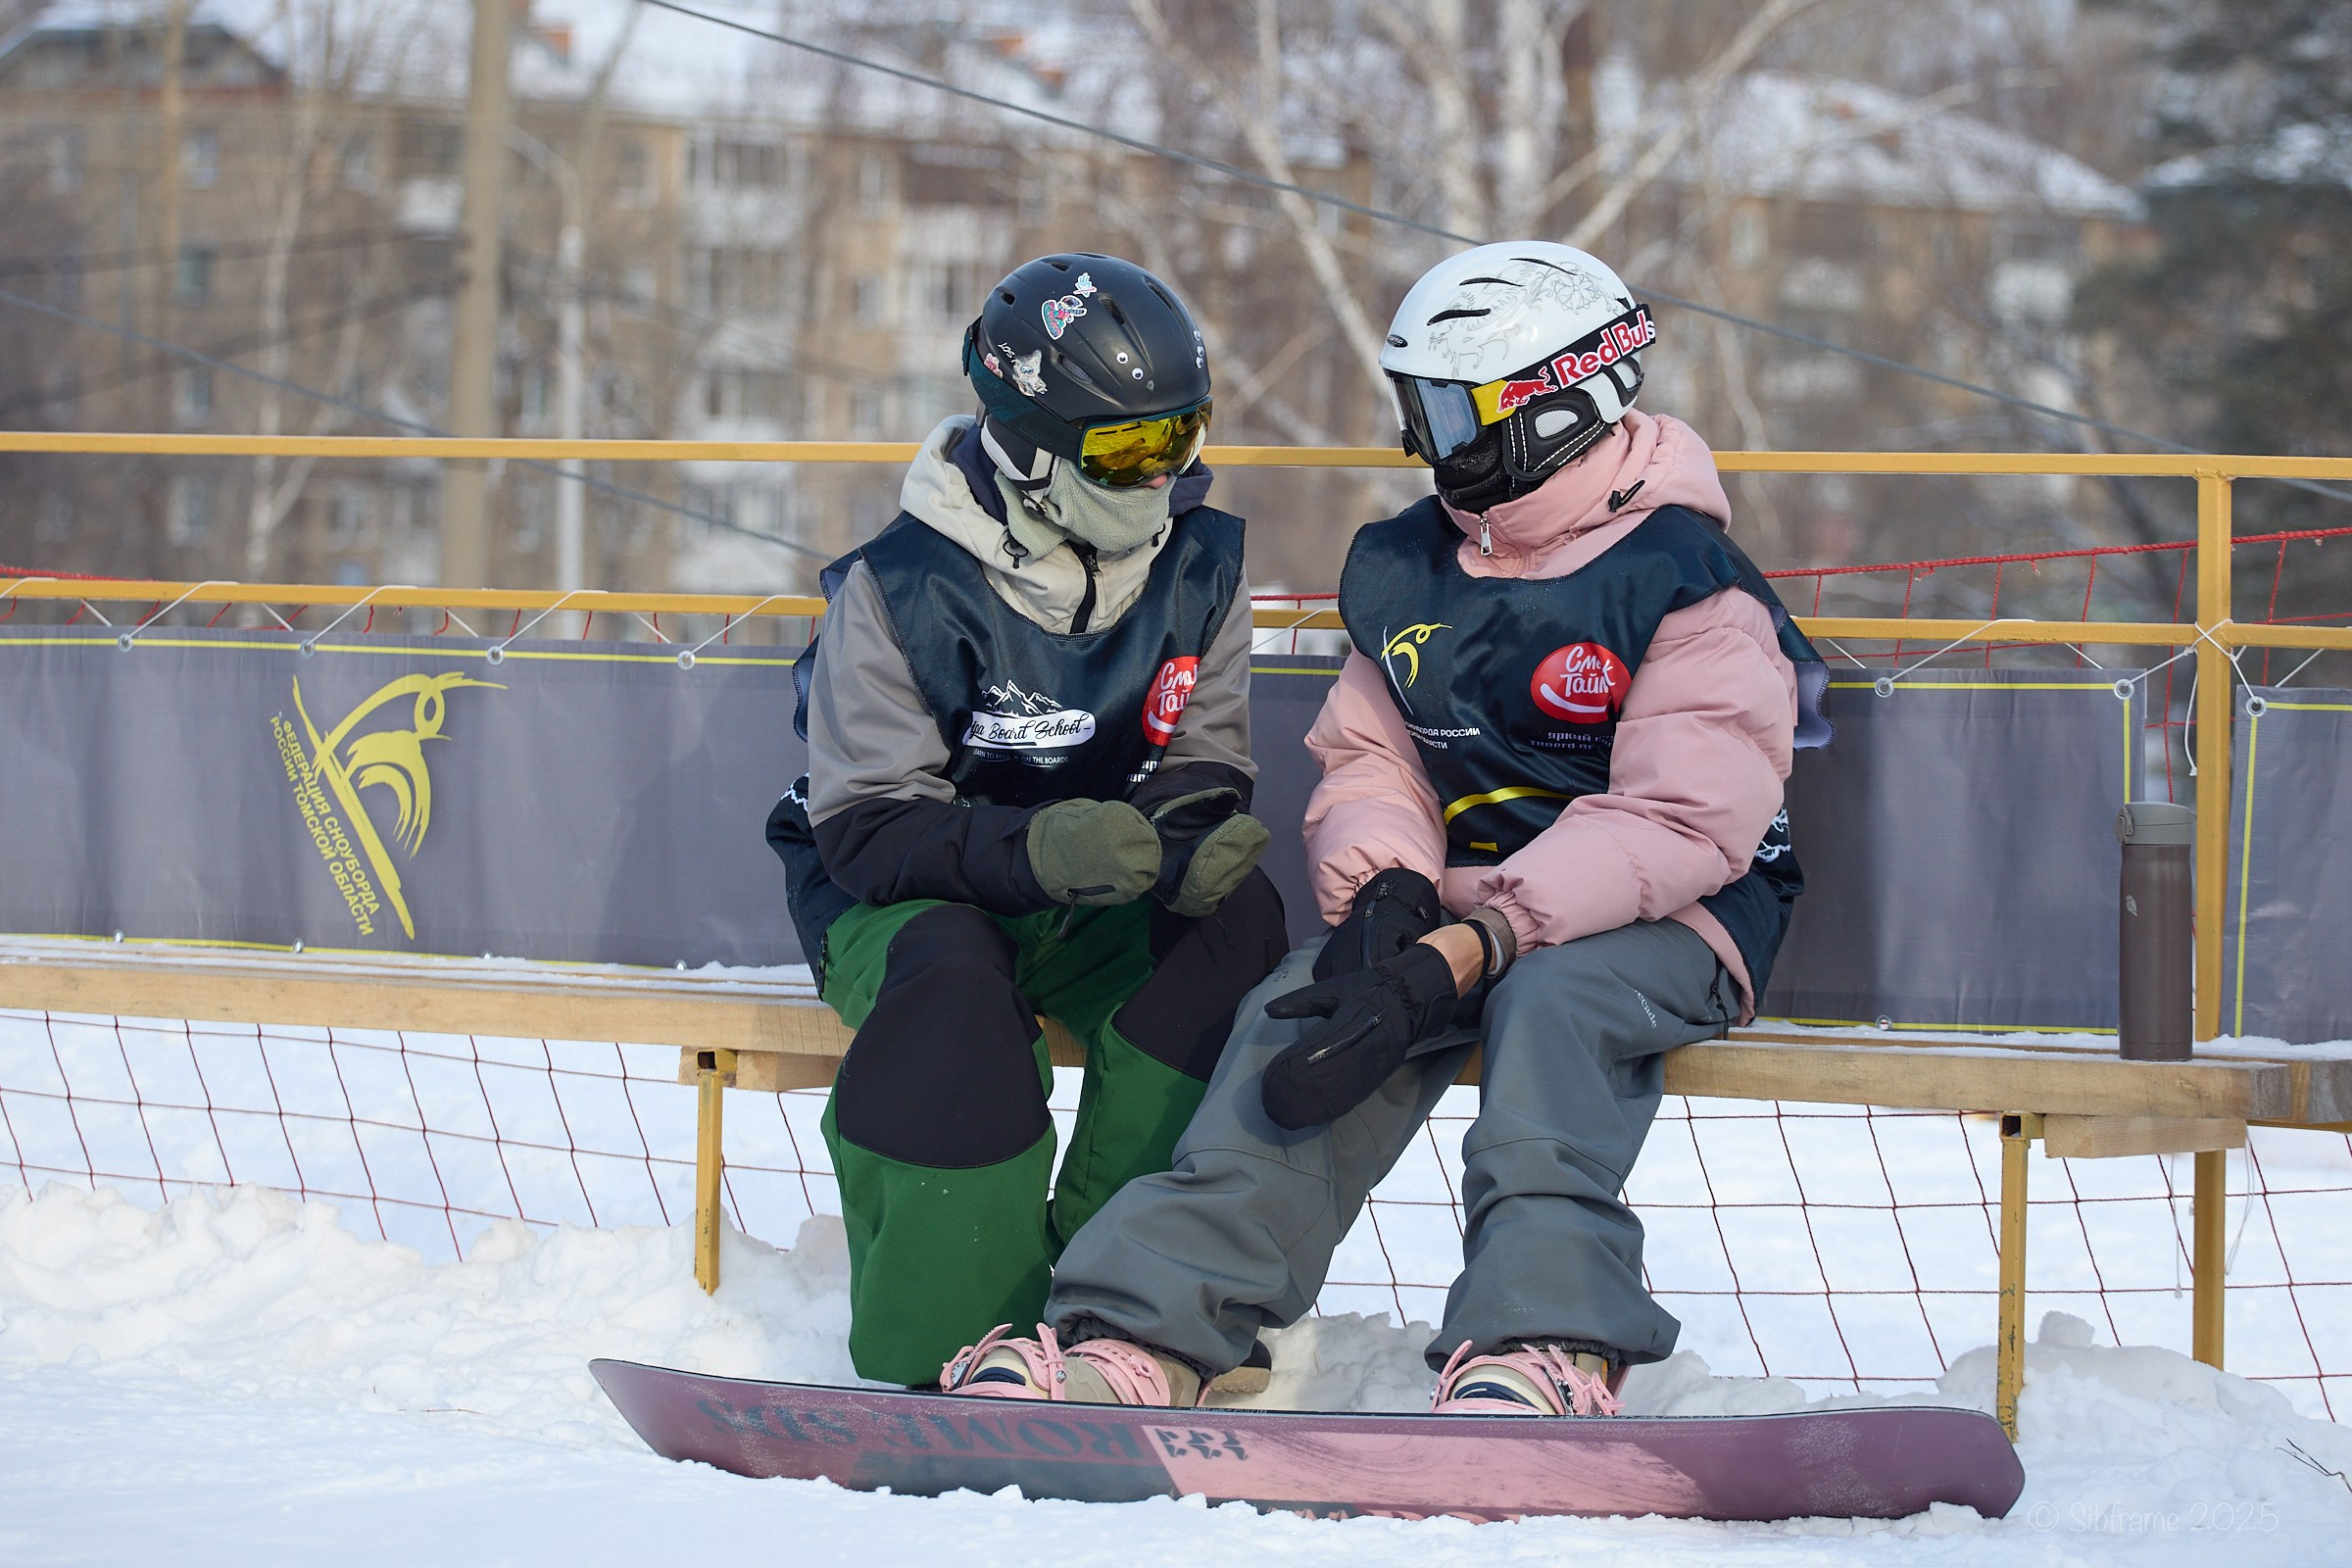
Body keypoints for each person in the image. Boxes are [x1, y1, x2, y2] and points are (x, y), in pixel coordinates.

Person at [933, 241, 1830, 1415]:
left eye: (1451, 413)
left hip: (1673, 914)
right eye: (1418, 410)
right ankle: (1142, 1335)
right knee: (1306, 1015)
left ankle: (1545, 1336)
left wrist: (1477, 943)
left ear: (1554, 406)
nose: (1426, 446)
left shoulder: (1686, 581)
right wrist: (1389, 903)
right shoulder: (1414, 566)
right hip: (1459, 906)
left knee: (1555, 1010)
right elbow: (1371, 752)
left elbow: (1681, 819)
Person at [766, 254, 1291, 1387]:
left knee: (1237, 922)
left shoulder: (1204, 567)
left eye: (1181, 437)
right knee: (951, 980)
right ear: (1027, 443)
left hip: (1091, 891)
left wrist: (1195, 837)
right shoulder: (895, 590)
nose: (1162, 475)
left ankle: (1132, 1298)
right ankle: (957, 1331)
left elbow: (1204, 753)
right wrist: (1035, 850)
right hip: (907, 890)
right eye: (1126, 450)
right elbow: (865, 825)